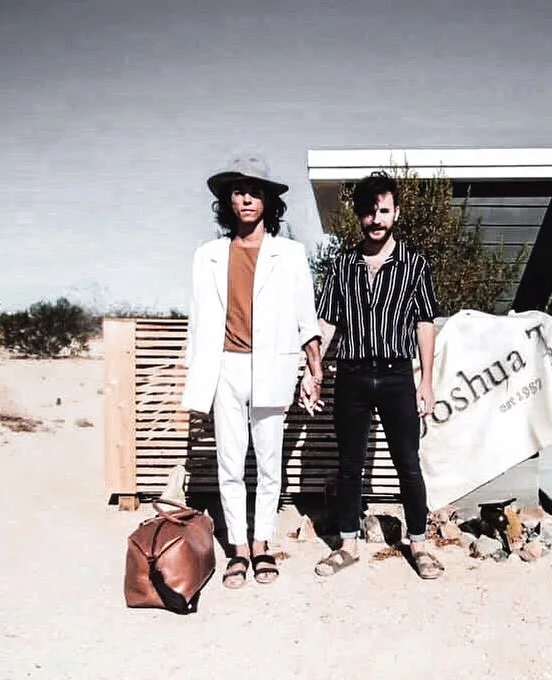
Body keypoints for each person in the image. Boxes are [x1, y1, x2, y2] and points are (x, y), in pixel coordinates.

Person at [181, 156, 322, 589]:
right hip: (224, 368)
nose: (246, 198)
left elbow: (306, 318)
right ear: (228, 199)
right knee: (229, 462)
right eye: (238, 190)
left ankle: (263, 544)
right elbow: (197, 319)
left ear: (268, 201)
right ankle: (238, 549)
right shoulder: (207, 255)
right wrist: (191, 378)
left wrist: (313, 370)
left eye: (255, 191)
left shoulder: (290, 254)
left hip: (273, 368)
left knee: (268, 463)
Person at [301, 170, 443, 580]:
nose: (376, 219)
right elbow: (326, 323)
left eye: (383, 210)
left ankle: (419, 544)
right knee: (349, 466)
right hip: (352, 376)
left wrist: (426, 381)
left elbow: (425, 325)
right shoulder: (342, 265)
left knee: (408, 464)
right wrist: (312, 371)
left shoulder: (415, 264)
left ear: (396, 213)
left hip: (397, 376)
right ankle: (347, 545)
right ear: (359, 216)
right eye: (368, 211)